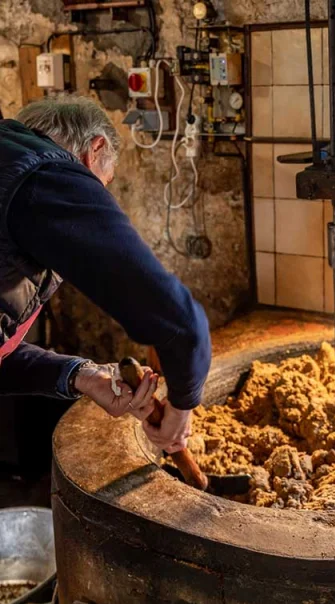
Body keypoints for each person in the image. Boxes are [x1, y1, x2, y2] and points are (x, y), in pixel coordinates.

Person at [0, 94, 211, 455]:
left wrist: (80, 375)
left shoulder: (11, 159)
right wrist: (181, 407)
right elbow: (179, 322)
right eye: (104, 183)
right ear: (93, 150)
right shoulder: (47, 172)